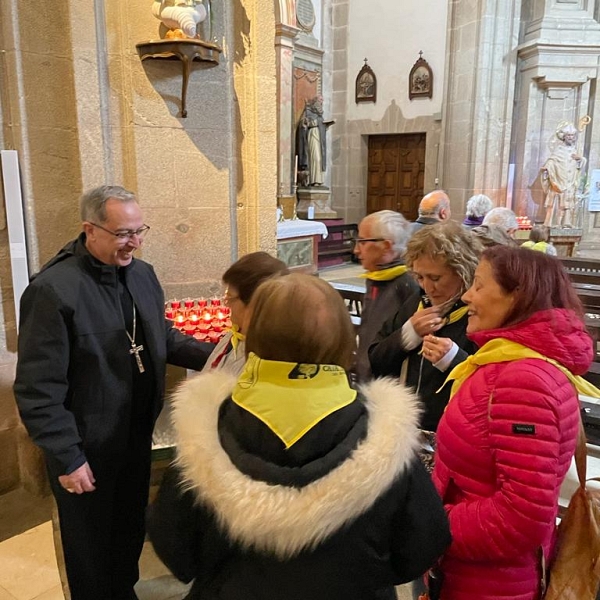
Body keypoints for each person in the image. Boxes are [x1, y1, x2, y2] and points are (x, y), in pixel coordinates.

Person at [147, 273, 451, 600]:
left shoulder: (208, 428)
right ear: (341, 339)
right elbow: (423, 542)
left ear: (257, 335)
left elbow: (175, 546)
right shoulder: (384, 431)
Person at [13, 185, 213, 600]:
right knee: (90, 550)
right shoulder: (52, 291)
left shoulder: (142, 274)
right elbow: (38, 388)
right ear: (91, 230)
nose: (135, 243)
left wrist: (218, 356)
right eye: (124, 234)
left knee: (126, 535)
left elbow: (161, 337)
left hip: (133, 436)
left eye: (140, 231)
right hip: (87, 447)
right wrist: (68, 455)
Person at [432, 245, 594, 600]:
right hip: (469, 571)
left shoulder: (524, 381)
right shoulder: (506, 361)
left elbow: (521, 519)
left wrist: (429, 523)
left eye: (478, 285)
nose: (467, 296)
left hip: (492, 585)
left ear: (517, 296)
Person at [369, 222, 481, 434]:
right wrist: (406, 335)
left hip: (452, 431)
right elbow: (376, 361)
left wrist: (454, 360)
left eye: (435, 278)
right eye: (420, 277)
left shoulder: (479, 314)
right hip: (406, 427)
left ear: (462, 271)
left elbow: (491, 387)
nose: (427, 287)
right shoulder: (416, 302)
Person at [353, 210, 419, 382]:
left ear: (387, 246)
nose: (356, 250)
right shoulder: (375, 277)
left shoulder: (408, 284)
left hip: (386, 382)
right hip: (366, 373)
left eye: (362, 242)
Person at [203, 251, 289, 374]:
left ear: (254, 306)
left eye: (230, 297)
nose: (226, 303)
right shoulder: (239, 333)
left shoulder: (269, 359)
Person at [541, 122, 586, 229]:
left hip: (570, 181)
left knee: (568, 203)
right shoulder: (559, 149)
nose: (571, 137)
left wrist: (580, 159)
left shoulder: (576, 149)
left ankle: (567, 222)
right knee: (556, 201)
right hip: (558, 180)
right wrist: (547, 169)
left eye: (572, 136)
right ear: (564, 137)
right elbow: (552, 161)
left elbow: (581, 163)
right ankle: (554, 223)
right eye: (568, 135)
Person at [296, 96, 335, 186]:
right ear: (316, 101)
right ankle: (312, 179)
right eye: (320, 100)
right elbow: (303, 124)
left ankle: (319, 180)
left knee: (320, 159)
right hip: (313, 134)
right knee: (315, 158)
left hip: (320, 136)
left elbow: (321, 125)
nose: (322, 102)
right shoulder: (308, 111)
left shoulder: (320, 114)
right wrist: (306, 123)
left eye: (322, 100)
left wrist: (327, 125)